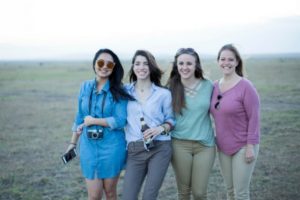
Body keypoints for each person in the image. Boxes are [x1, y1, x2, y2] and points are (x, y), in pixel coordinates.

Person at [65, 48, 134, 200]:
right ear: (94, 64)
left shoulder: (118, 90)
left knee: (110, 193)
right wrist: (72, 143)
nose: (104, 67)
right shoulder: (84, 87)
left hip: (112, 147)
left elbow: (120, 120)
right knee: (94, 195)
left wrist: (93, 121)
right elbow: (79, 116)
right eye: (101, 62)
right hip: (88, 146)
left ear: (113, 67)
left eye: (109, 64)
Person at [122, 50, 175, 200]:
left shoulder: (163, 94)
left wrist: (161, 128)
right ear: (133, 67)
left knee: (149, 196)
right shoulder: (125, 91)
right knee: (128, 197)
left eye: (145, 63)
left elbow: (172, 120)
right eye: (137, 63)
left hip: (160, 148)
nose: (141, 67)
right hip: (134, 149)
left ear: (151, 67)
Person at [210, 44, 260, 200]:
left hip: (244, 146)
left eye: (230, 59)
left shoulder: (246, 86)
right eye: (223, 59)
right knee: (230, 191)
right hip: (223, 146)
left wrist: (250, 146)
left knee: (241, 193)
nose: (226, 63)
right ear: (218, 62)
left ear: (237, 62)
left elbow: (254, 117)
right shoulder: (214, 86)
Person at [167, 48, 216, 200]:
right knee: (184, 192)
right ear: (176, 65)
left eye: (189, 63)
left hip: (205, 145)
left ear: (196, 65)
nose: (185, 67)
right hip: (179, 144)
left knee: (200, 193)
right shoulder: (171, 88)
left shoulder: (209, 86)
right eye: (181, 63)